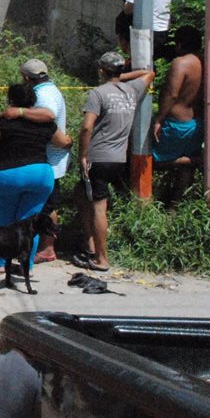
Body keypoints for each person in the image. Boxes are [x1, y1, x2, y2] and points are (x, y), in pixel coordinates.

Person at [75, 52, 156, 273]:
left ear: (101, 71)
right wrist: (120, 77)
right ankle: (90, 245)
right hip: (118, 158)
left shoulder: (98, 94)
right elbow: (149, 73)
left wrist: (82, 155)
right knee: (81, 193)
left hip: (97, 157)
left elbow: (86, 127)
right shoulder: (132, 90)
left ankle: (102, 258)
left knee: (99, 208)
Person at [0, 84, 72, 272]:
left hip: (6, 175)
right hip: (40, 174)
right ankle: (25, 265)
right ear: (34, 102)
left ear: (10, 100)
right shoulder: (45, 123)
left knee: (5, 222)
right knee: (30, 223)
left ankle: (1, 263)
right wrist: (70, 139)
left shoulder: (3, 121)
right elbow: (63, 142)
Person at [0, 59, 69, 264]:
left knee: (46, 208)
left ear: (26, 78)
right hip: (46, 160)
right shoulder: (50, 89)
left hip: (48, 161)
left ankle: (47, 248)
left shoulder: (44, 94)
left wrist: (19, 112)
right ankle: (41, 247)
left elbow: (48, 115)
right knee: (44, 205)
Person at [152, 26, 204, 192]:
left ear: (179, 44)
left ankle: (197, 160)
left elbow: (172, 94)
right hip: (196, 122)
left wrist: (159, 118)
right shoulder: (204, 62)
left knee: (151, 159)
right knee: (186, 166)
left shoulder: (180, 63)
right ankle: (175, 205)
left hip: (176, 123)